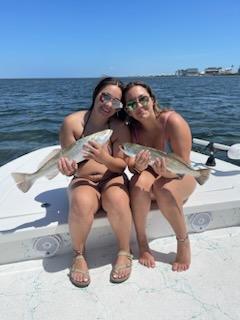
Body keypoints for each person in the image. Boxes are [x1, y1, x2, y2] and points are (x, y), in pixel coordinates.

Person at [58, 77, 133, 287]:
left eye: (116, 102)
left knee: (118, 199)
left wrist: (104, 158)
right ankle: (78, 255)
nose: (108, 104)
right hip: (83, 179)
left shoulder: (118, 128)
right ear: (96, 94)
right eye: (105, 96)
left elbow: (120, 166)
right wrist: (68, 169)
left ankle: (125, 251)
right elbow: (68, 162)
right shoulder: (72, 123)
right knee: (82, 201)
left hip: (112, 178)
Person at [123, 81, 196, 272]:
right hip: (151, 175)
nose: (138, 106)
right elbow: (129, 163)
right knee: (138, 184)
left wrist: (168, 173)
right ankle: (142, 242)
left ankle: (183, 242)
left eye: (142, 99)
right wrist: (136, 167)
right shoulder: (133, 130)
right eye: (131, 104)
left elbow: (184, 165)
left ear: (152, 100)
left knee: (163, 188)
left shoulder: (173, 122)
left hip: (179, 174)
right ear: (128, 111)